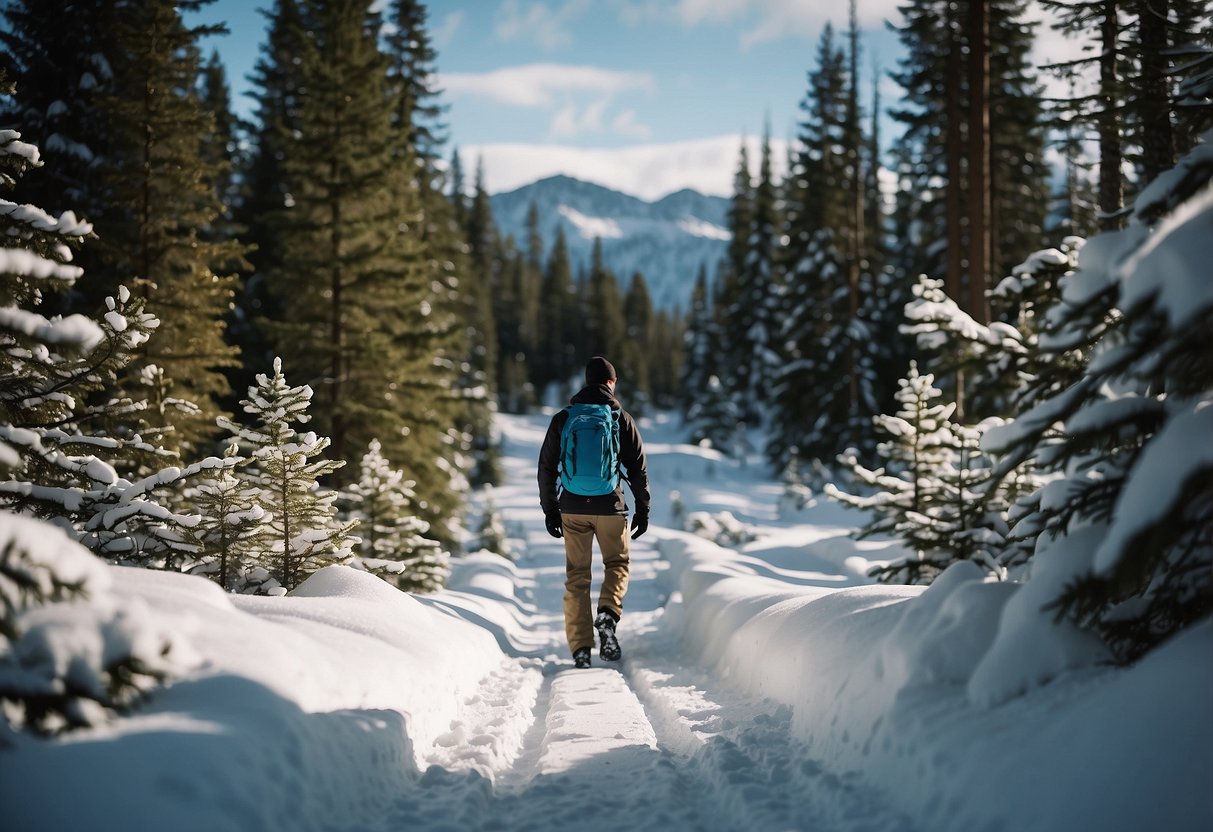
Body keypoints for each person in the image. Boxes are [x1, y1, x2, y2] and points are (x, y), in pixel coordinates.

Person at [538, 356, 650, 669]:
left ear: (587, 382)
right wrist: (643, 508)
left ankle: (581, 649)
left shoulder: (564, 417)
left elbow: (546, 466)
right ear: (611, 382)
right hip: (612, 507)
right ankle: (607, 614)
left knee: (577, 576)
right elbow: (637, 466)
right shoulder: (619, 416)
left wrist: (551, 509)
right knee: (617, 563)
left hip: (572, 508)